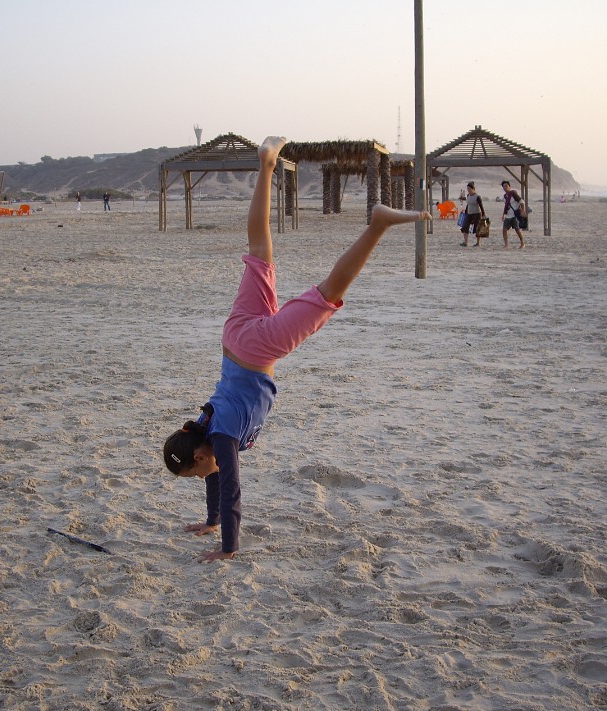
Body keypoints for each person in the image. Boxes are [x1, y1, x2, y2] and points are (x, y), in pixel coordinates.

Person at [163, 136, 430, 563]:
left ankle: (377, 223)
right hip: (234, 337)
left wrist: (227, 547)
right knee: (259, 252)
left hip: (257, 349)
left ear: (198, 455)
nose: (201, 476)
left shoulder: (223, 437)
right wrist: (211, 521)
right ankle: (267, 165)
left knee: (329, 295)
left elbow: (229, 486)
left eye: (194, 471)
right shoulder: (202, 430)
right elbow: (213, 476)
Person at [459, 182, 486, 247]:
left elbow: (481, 206)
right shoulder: (468, 195)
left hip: (477, 214)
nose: (468, 190)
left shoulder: (477, 197)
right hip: (469, 213)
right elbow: (468, 204)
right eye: (467, 188)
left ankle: (478, 243)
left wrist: (483, 214)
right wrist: (465, 211)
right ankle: (466, 242)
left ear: (473, 189)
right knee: (465, 227)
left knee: (477, 228)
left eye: (469, 188)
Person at [500, 181, 526, 249]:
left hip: (514, 215)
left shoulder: (513, 193)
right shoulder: (505, 196)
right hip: (508, 215)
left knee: (517, 230)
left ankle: (522, 243)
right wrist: (503, 215)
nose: (505, 188)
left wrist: (523, 210)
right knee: (504, 229)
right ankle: (506, 244)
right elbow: (506, 206)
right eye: (503, 186)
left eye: (506, 186)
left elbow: (521, 201)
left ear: (509, 186)